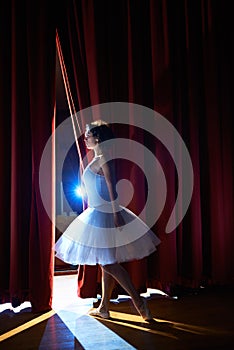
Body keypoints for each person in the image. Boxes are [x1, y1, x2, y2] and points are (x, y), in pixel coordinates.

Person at [54, 120, 160, 321]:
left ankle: (139, 303)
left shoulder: (103, 159)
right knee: (106, 263)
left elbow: (112, 187)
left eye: (88, 135)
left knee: (109, 264)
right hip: (97, 212)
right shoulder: (97, 158)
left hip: (103, 214)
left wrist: (115, 213)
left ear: (98, 137)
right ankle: (104, 307)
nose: (85, 139)